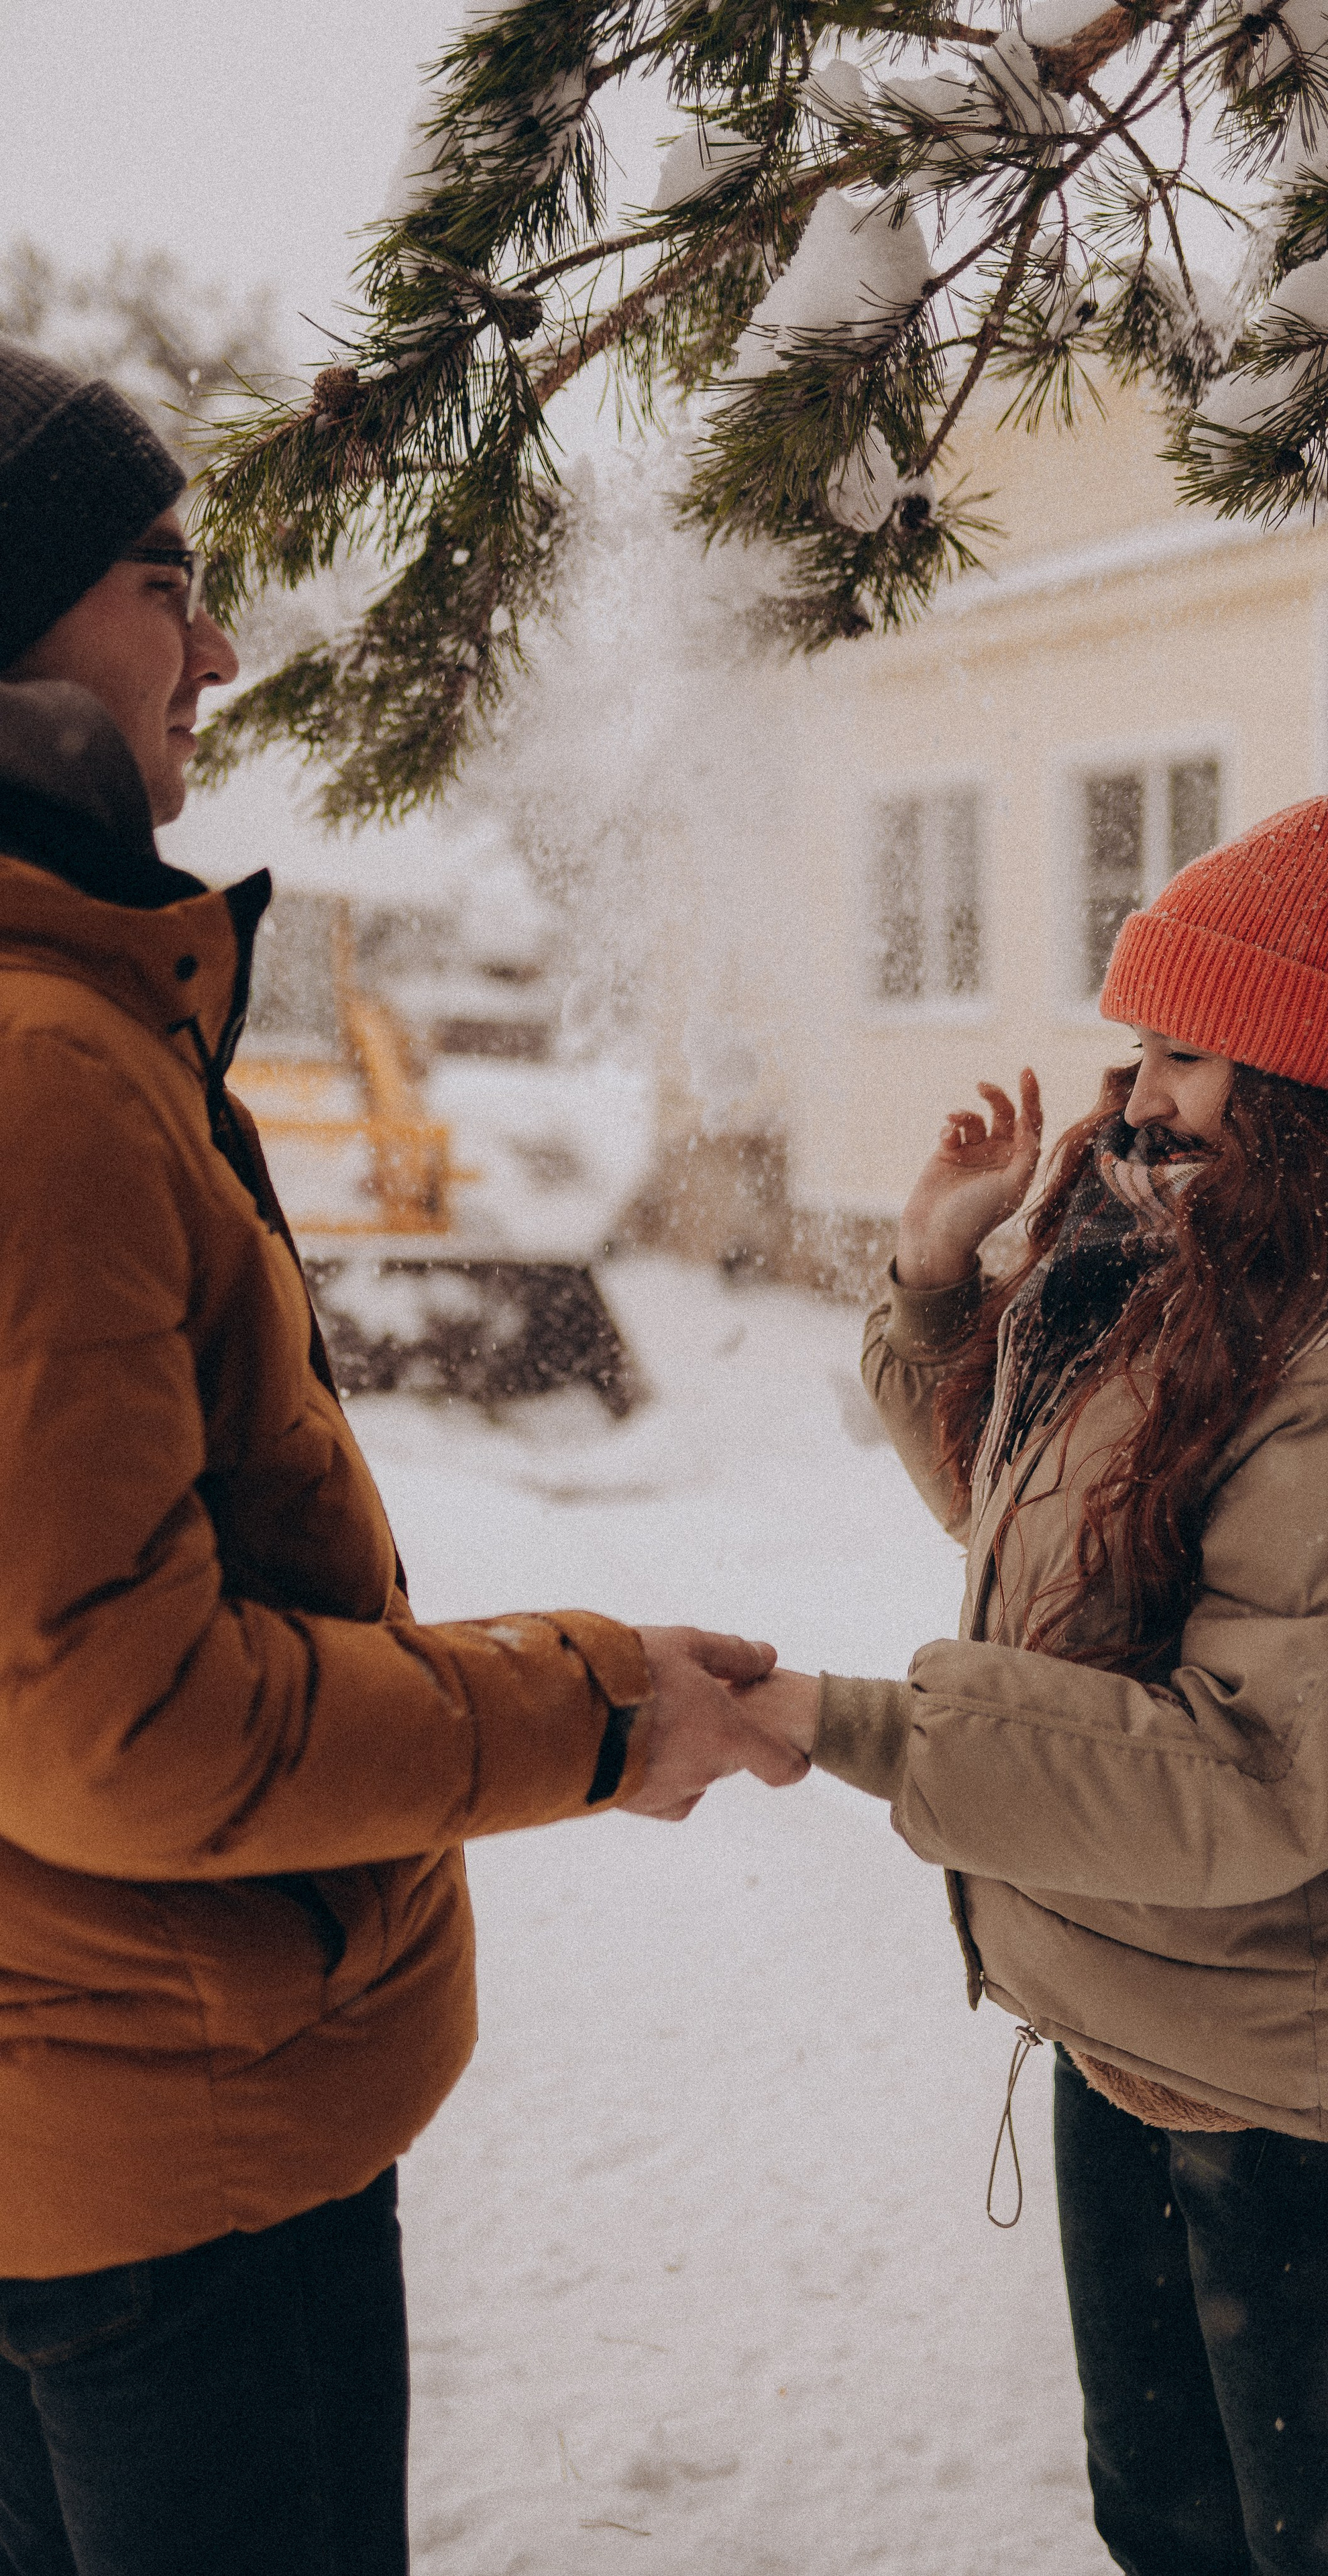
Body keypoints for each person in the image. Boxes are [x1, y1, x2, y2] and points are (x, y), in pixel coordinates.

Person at [0, 341, 805, 2576]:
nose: (218, 654)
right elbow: (121, 1718)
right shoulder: (45, 1074)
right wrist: (596, 1708)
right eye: (166, 581)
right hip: (166, 2156)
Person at [745, 794, 1328, 2576]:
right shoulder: (1216, 1246)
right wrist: (936, 1281)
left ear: (1299, 1075)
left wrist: (844, 1727)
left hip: (1325, 2093)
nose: (1134, 1095)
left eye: (1183, 1054)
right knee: (1163, 2524)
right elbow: (1062, 1548)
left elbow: (1248, 1774)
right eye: (1139, 1046)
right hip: (1146, 2023)